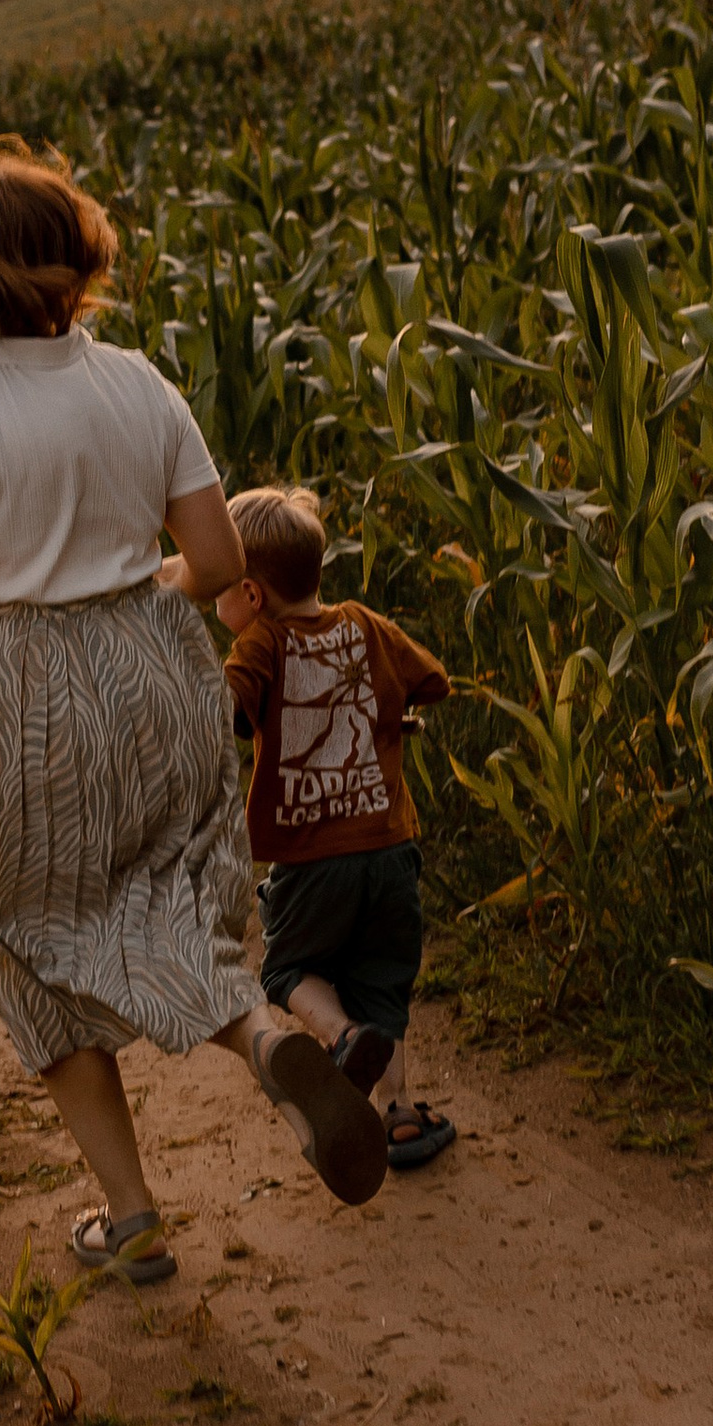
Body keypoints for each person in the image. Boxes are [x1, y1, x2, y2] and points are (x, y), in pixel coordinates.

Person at [0, 132, 387, 1286]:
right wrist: (129, 599)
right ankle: (262, 1034)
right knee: (168, 892)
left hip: (19, 691)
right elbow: (210, 552)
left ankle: (132, 1213)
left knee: (23, 939)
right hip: (155, 668)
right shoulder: (138, 381)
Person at [217, 484, 455, 1169]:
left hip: (311, 857)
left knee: (290, 965)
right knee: (383, 977)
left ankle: (340, 1034)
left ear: (253, 595)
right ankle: (400, 1114)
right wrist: (385, 707)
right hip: (388, 848)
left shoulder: (258, 645)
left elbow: (226, 715)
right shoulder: (366, 624)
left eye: (222, 591)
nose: (217, 603)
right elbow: (432, 680)